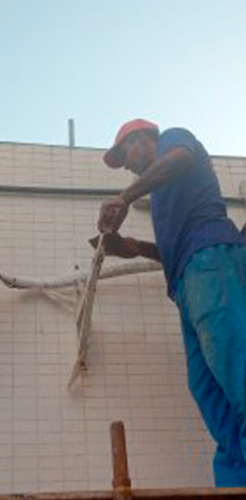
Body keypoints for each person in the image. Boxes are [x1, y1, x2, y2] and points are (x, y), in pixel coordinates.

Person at [95, 119, 246, 487]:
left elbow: (179, 159)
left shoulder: (174, 142)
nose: (126, 164)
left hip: (209, 263)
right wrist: (133, 248)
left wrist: (125, 196)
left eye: (124, 153)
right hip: (186, 282)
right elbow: (176, 249)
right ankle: (235, 483)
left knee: (236, 368)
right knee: (209, 392)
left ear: (144, 139)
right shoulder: (161, 193)